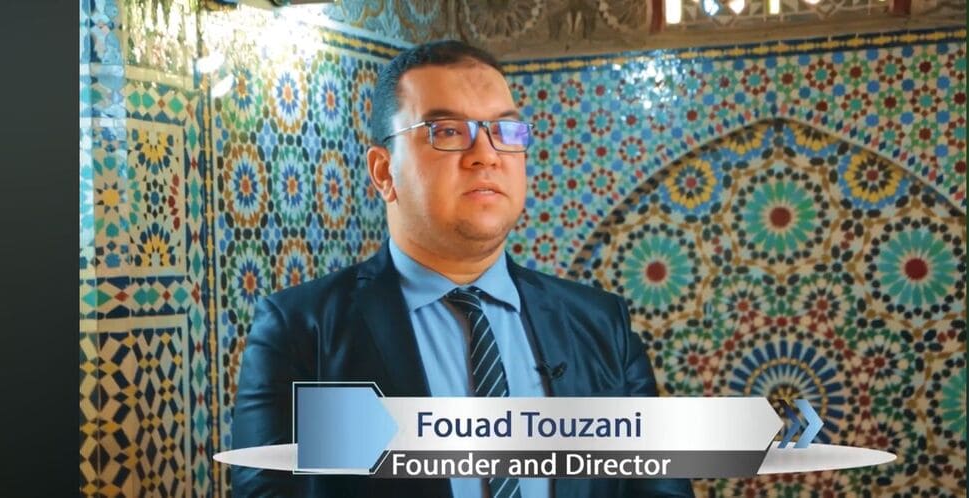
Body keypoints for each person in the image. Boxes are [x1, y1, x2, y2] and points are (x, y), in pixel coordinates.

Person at [232, 40, 693, 498]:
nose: (486, 154)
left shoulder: (601, 325)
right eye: (448, 131)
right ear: (384, 172)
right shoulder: (304, 332)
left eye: (504, 131)